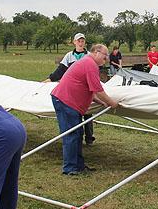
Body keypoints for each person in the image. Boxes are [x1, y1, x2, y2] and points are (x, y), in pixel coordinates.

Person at [51, 44, 119, 175]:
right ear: (96, 52)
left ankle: (78, 165)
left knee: (77, 134)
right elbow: (98, 90)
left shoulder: (87, 63)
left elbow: (90, 90)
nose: (106, 60)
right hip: (66, 101)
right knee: (71, 135)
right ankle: (70, 168)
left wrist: (101, 102)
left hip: (69, 102)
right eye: (105, 56)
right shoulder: (90, 64)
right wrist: (112, 103)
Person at [48, 34, 95, 145]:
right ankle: (77, 136)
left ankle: (89, 137)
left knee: (88, 113)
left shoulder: (89, 56)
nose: (80, 43)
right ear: (74, 42)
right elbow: (61, 70)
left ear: (84, 43)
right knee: (75, 113)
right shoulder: (69, 56)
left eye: (82, 41)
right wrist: (49, 79)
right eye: (78, 41)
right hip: (73, 90)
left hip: (85, 88)